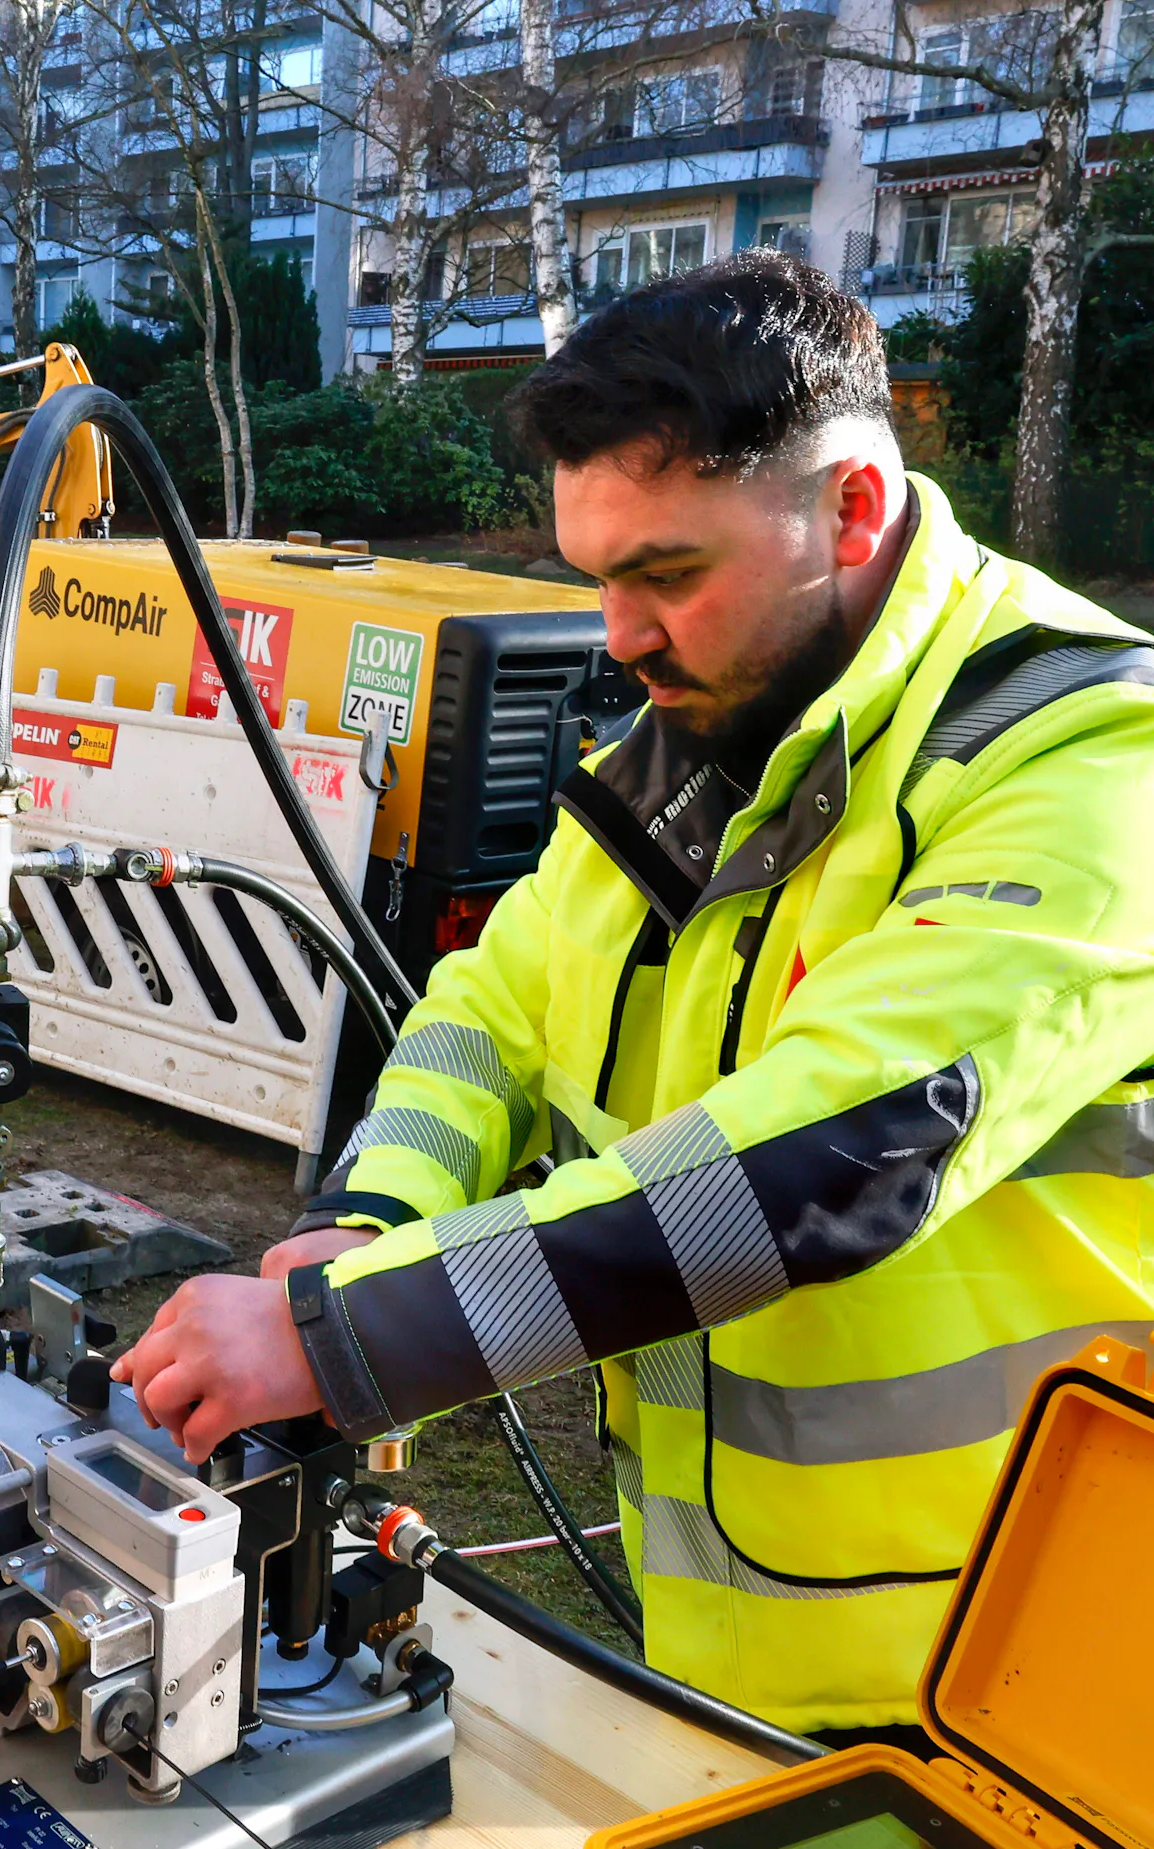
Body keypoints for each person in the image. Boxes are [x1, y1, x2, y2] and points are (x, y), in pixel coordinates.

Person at [111, 251, 1154, 1734]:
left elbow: (827, 1159)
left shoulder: (1094, 763)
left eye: (667, 575)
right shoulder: (696, 744)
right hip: (725, 1647)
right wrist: (371, 1222)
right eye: (597, 578)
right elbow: (489, 1014)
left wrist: (343, 1334)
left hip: (1013, 1687)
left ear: (853, 509)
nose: (620, 636)